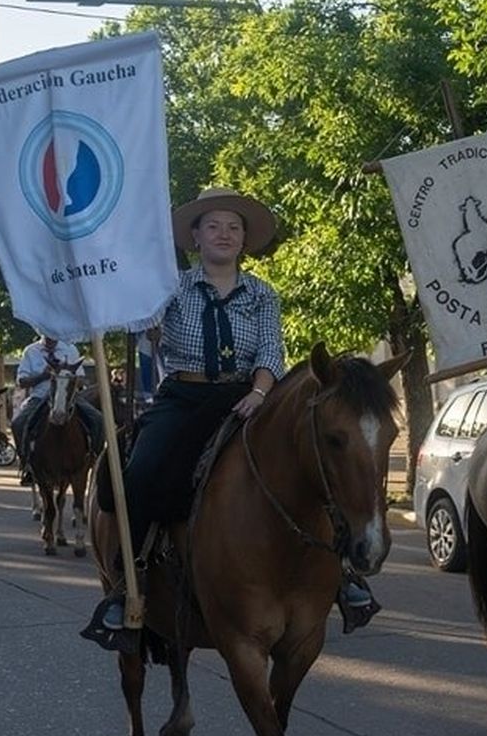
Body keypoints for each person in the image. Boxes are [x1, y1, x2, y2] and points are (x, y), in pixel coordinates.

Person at [83, 187, 377, 651]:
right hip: (184, 394)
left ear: (244, 241)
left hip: (250, 395)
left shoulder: (262, 294)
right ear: (195, 238)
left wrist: (261, 393)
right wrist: (134, 296)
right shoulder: (170, 284)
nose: (224, 234)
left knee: (311, 469)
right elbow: (144, 322)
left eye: (234, 227)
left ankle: (342, 575)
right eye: (213, 226)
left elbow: (270, 350)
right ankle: (128, 583)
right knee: (139, 472)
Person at [10, 334, 96, 485]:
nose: (51, 338)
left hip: (68, 397)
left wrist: (67, 376)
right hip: (40, 397)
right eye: (47, 334)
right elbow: (22, 381)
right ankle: (27, 464)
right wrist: (43, 376)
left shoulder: (70, 349)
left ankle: (94, 459)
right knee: (18, 423)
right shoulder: (31, 351)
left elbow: (81, 378)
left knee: (97, 419)